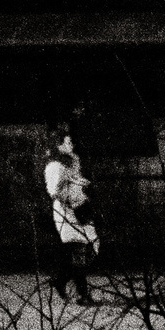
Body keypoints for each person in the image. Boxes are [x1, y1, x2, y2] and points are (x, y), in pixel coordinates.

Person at [44, 127, 100, 306]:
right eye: (68, 142)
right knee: (79, 252)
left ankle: (61, 280)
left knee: (92, 246)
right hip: (67, 211)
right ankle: (82, 295)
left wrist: (79, 184)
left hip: (80, 208)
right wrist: (71, 186)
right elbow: (54, 191)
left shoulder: (72, 161)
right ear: (59, 145)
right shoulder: (54, 166)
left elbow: (75, 182)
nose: (72, 145)